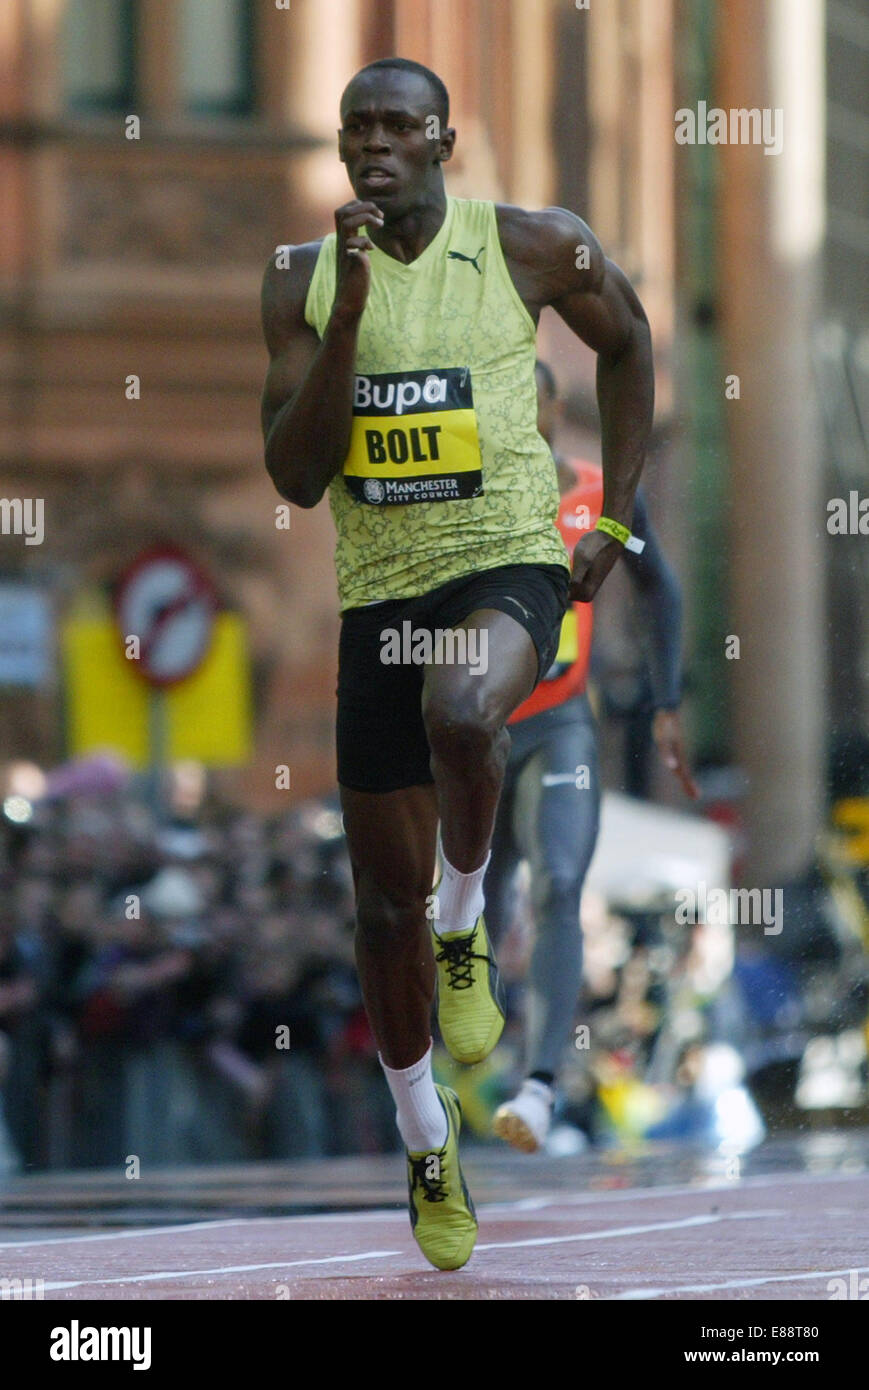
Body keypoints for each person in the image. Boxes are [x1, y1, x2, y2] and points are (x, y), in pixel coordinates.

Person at [260, 57, 654, 1271]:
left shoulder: (534, 245)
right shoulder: (299, 281)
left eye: (394, 127)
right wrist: (349, 321)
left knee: (467, 712)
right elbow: (292, 474)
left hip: (504, 566)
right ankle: (426, 1136)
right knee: (379, 908)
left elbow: (631, 343)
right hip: (375, 592)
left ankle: (469, 916)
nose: (370, 147)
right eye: (352, 131)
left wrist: (615, 520)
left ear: (440, 140)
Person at [488, 359, 697, 1153]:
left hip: (559, 724)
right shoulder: (460, 499)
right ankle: (442, 1070)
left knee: (560, 883)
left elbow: (661, 589)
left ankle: (540, 1085)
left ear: (551, 407)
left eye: (525, 402)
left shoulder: (597, 496)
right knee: (473, 896)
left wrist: (666, 698)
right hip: (476, 730)